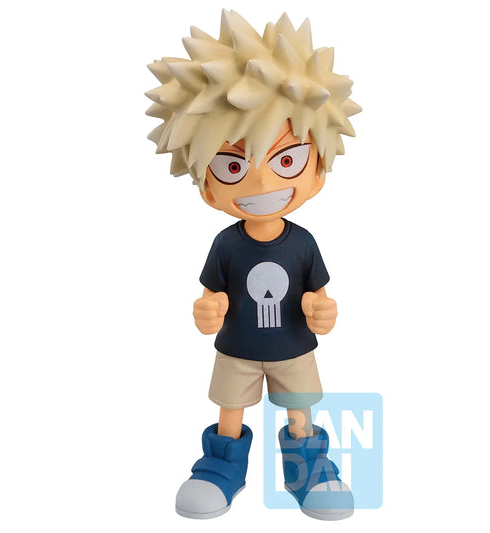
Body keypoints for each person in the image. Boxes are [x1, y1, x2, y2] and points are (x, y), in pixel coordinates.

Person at [146, 9, 361, 520]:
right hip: (237, 348)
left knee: (301, 411)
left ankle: (309, 470)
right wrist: (208, 310)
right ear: (206, 186)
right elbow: (212, 292)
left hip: (294, 347)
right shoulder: (226, 243)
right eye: (233, 165)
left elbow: (318, 293)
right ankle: (221, 470)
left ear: (318, 172)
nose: (262, 183)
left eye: (287, 160)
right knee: (230, 412)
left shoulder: (303, 242)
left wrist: (323, 310)